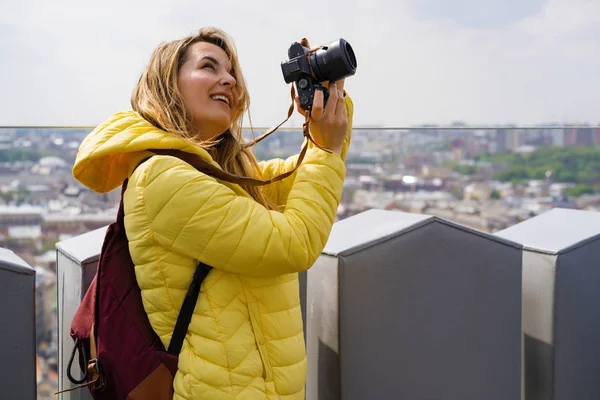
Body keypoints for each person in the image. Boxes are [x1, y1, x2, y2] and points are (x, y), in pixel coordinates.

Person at [73, 27, 353, 400]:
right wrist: (326, 150)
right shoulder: (162, 178)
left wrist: (331, 98)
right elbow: (295, 242)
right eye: (209, 66)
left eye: (232, 72)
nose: (229, 79)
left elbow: (304, 181)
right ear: (167, 85)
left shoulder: (222, 174)